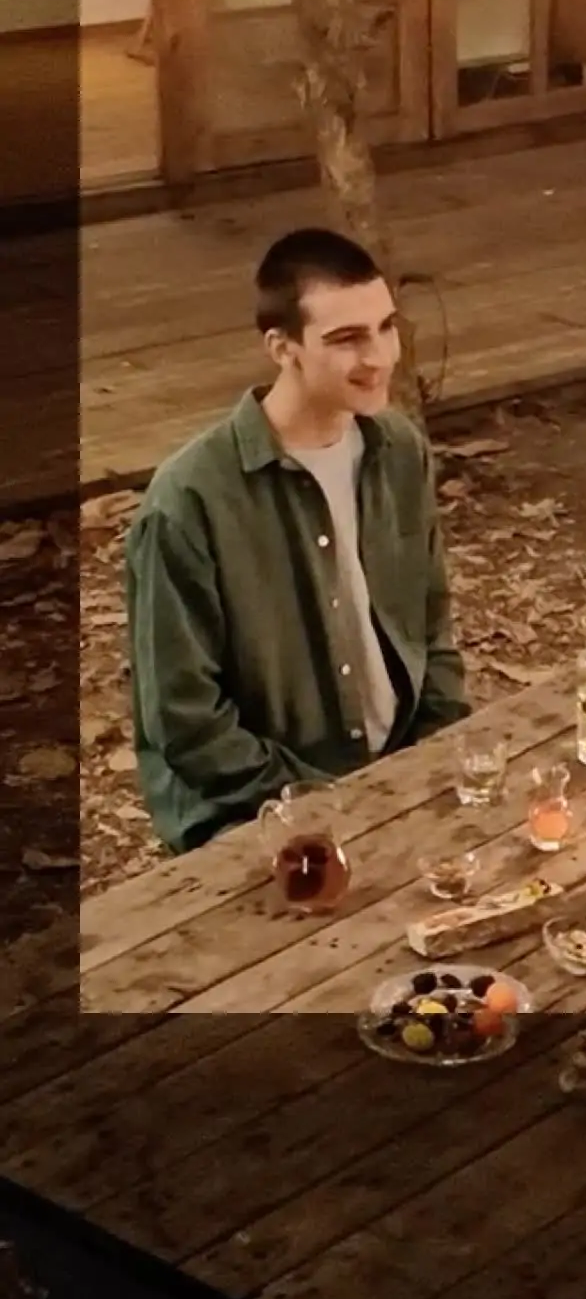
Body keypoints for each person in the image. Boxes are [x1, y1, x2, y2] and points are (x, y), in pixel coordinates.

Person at [126, 227, 470, 854]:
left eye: (386, 327)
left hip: (400, 772)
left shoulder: (400, 450)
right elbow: (185, 721)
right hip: (252, 809)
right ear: (282, 348)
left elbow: (432, 623)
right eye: (346, 339)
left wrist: (434, 754)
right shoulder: (187, 501)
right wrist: (334, 805)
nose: (379, 357)